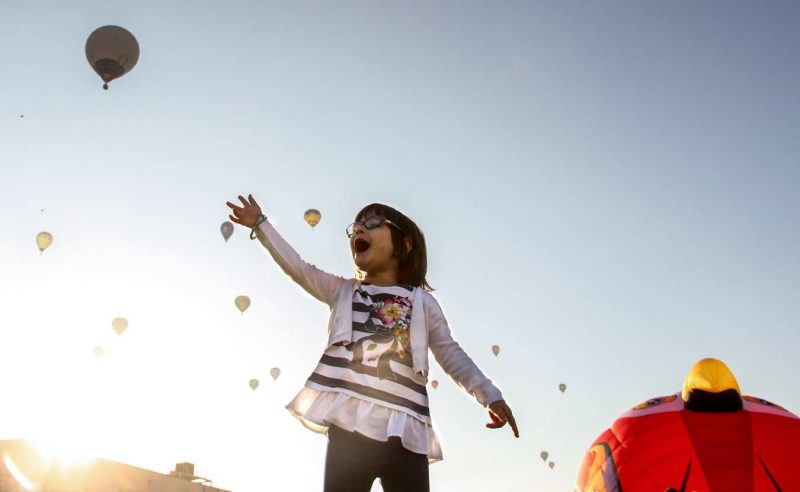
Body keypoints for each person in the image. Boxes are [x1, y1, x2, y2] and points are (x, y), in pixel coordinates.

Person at [226, 194, 519, 492]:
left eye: (374, 223)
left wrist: (489, 395)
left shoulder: (423, 303)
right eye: (356, 227)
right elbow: (298, 267)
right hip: (350, 426)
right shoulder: (342, 291)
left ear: (404, 245)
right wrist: (261, 225)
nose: (359, 230)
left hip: (406, 429)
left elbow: (449, 352)